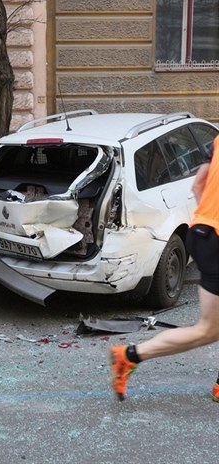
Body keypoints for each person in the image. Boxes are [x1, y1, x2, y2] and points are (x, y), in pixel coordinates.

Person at [110, 133, 219, 401]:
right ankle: (129, 356)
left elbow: (198, 186)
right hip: (216, 241)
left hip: (202, 232)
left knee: (211, 327)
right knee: (208, 330)